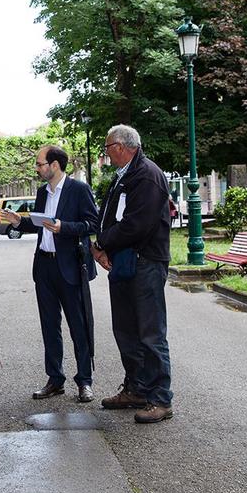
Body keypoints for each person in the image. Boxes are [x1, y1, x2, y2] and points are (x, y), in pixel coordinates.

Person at [1, 145, 98, 403]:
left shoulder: (79, 190)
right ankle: (55, 379)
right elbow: (41, 223)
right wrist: (19, 222)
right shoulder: (43, 192)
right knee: (49, 326)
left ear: (55, 165)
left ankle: (84, 381)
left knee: (78, 325)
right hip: (44, 267)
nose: (37, 168)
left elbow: (93, 224)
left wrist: (63, 227)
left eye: (40, 164)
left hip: (70, 267)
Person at [91, 124, 174, 424]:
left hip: (146, 262)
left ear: (124, 147)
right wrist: (101, 246)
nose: (106, 153)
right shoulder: (123, 176)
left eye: (108, 147)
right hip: (126, 263)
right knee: (126, 330)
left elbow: (136, 224)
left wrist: (102, 243)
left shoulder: (147, 175)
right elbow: (110, 217)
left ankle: (160, 398)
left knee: (151, 333)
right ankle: (137, 389)